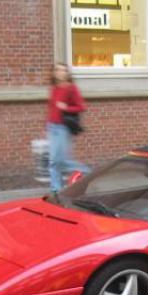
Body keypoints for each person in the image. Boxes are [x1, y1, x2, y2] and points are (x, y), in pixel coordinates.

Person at [47, 63, 89, 197]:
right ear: (54, 73)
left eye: (63, 70)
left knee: (61, 160)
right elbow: (52, 109)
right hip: (52, 127)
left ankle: (87, 172)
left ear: (67, 73)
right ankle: (56, 189)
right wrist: (47, 126)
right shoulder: (54, 88)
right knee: (53, 161)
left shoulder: (71, 88)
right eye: (58, 70)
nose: (60, 72)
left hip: (63, 128)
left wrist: (66, 108)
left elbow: (81, 107)